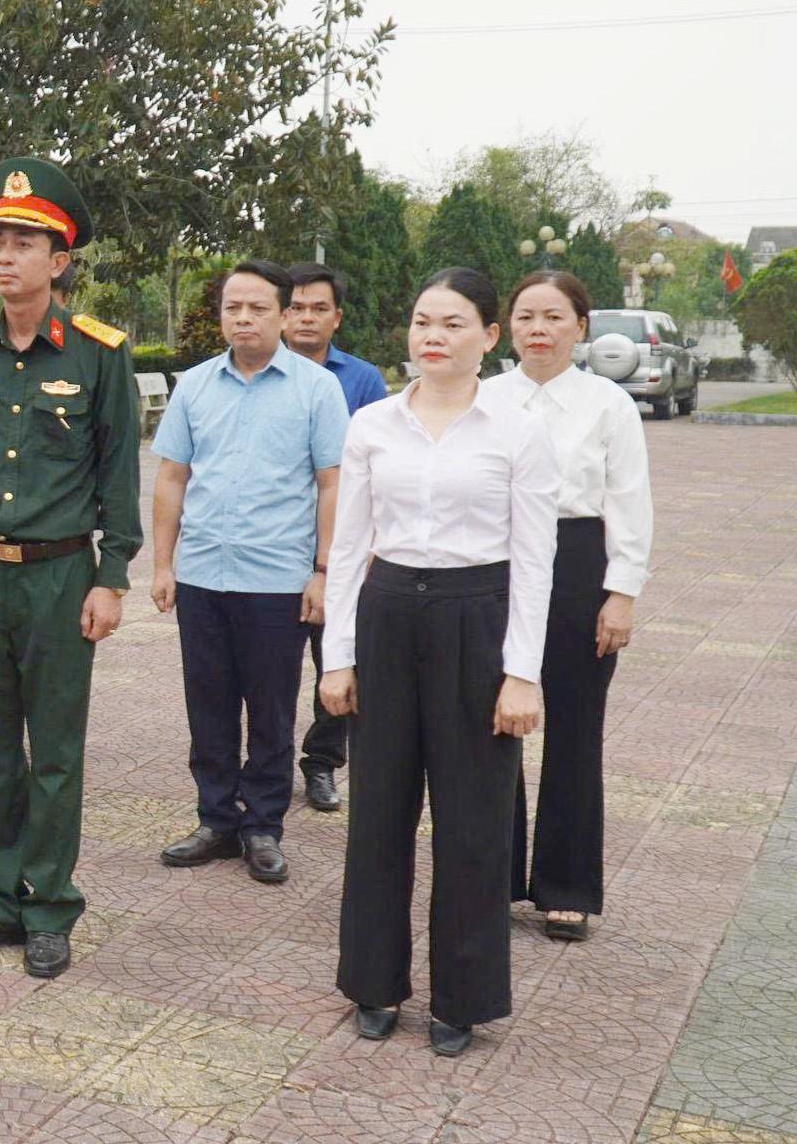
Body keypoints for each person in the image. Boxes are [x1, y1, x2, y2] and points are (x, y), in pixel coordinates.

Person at [321, 267, 560, 1056]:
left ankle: (463, 996)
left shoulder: (517, 431)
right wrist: (338, 657)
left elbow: (535, 560)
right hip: (389, 615)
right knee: (380, 810)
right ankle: (374, 983)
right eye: (423, 321)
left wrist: (521, 672)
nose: (434, 336)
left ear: (489, 337)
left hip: (477, 619)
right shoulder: (374, 425)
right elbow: (350, 546)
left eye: (454, 324)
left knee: (472, 821)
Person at [0, 158, 140, 980]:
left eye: (27, 242)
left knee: (52, 751)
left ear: (60, 260)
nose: (6, 256)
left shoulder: (96, 355)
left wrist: (111, 575)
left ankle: (48, 904)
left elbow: (117, 472)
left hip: (58, 578)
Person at [150, 260, 348, 885]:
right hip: (204, 575)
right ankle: (215, 817)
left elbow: (331, 483)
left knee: (269, 710)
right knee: (207, 704)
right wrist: (162, 563)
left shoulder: (316, 390)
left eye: (257, 307)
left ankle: (263, 824)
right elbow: (171, 477)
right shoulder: (196, 386)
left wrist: (322, 571)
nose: (242, 317)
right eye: (232, 307)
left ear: (284, 314)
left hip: (276, 580)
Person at [495, 271, 652, 942]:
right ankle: (495, 875)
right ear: (506, 327)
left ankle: (566, 887)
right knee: (490, 722)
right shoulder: (485, 397)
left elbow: (630, 501)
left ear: (581, 327)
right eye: (526, 315)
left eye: (554, 316)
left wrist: (621, 592)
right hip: (494, 561)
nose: (540, 328)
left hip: (577, 559)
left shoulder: (606, 403)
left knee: (575, 728)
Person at [281, 262, 392, 811]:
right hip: (275, 545)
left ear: (337, 317)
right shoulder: (261, 374)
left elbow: (377, 467)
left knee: (338, 660)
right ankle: (268, 765)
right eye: (297, 307)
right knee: (271, 668)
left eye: (318, 308)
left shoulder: (363, 380)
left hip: (343, 548)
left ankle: (322, 762)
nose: (306, 318)